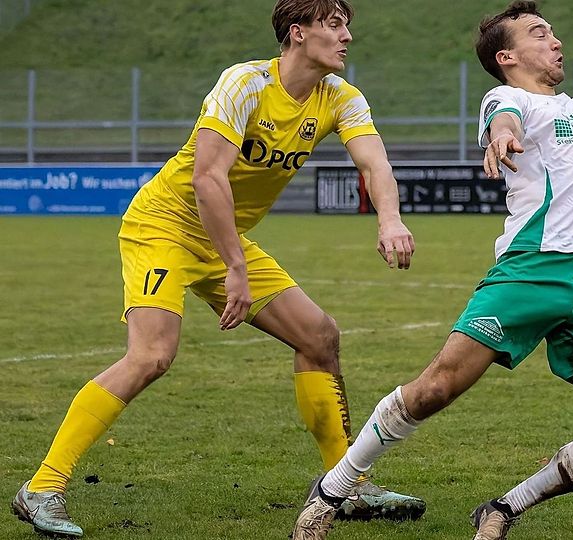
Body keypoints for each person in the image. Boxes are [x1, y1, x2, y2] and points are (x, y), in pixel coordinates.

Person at [290, 1, 573, 539]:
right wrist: (502, 134)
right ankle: (332, 491)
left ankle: (503, 508)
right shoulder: (509, 98)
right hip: (532, 270)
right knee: (436, 388)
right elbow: (503, 120)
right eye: (539, 33)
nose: (556, 41)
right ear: (507, 57)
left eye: (553, 33)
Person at [10, 0, 426, 537]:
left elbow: (376, 163)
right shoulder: (244, 84)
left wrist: (389, 219)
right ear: (297, 33)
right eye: (333, 24)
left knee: (319, 337)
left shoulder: (340, 97)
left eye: (348, 25)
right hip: (165, 224)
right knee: (152, 355)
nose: (347, 36)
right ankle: (42, 486)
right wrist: (235, 266)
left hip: (224, 236)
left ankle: (345, 485)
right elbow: (207, 177)